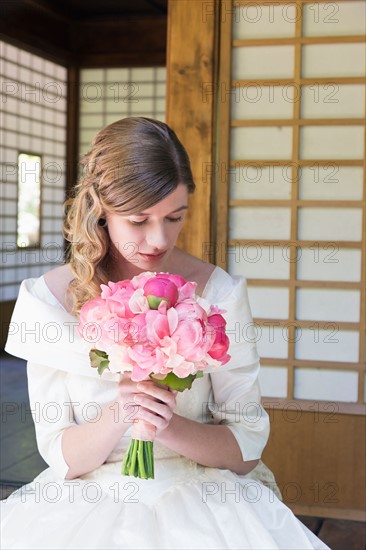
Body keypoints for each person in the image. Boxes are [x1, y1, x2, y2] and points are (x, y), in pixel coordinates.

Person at [2, 117, 329, 549]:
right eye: (138, 221)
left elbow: (246, 449)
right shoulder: (45, 302)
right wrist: (123, 410)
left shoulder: (219, 292)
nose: (159, 239)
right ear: (101, 211)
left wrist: (167, 425)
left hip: (202, 495)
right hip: (87, 498)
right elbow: (60, 458)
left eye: (174, 217)